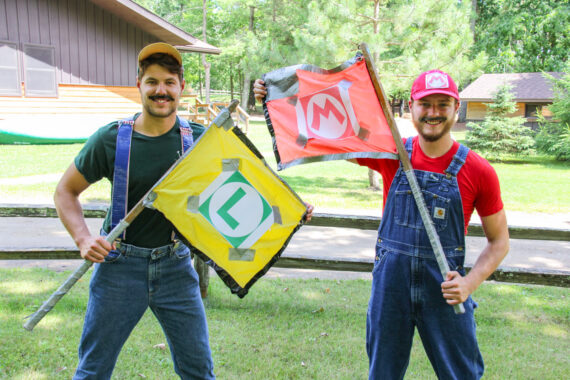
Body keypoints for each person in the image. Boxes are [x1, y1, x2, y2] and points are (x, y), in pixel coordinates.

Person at [254, 69, 509, 379]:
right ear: (411, 107)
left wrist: (469, 284)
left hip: (446, 290)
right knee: (383, 374)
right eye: (425, 104)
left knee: (462, 374)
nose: (433, 113)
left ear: (457, 109)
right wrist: (277, 97)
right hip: (391, 288)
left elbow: (499, 242)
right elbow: (330, 130)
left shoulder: (478, 170)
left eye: (443, 104)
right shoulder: (391, 153)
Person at [55, 43, 215, 379]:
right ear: (138, 85)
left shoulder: (201, 141)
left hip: (175, 267)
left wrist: (291, 212)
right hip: (118, 268)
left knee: (199, 371)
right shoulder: (111, 139)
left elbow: (246, 188)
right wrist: (83, 239)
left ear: (181, 88)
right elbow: (65, 191)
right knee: (93, 371)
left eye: (169, 82)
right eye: (152, 82)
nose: (161, 91)